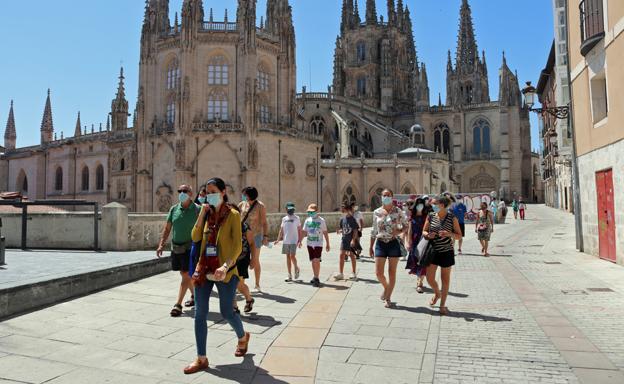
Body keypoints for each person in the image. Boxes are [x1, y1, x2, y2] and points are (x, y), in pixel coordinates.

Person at [184, 178, 250, 374]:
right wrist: (202, 214)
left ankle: (242, 336)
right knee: (200, 314)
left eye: (212, 191)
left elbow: (238, 246)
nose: (208, 195)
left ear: (223, 192)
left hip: (226, 271)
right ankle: (201, 358)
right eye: (206, 192)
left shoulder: (233, 215)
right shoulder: (206, 214)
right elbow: (195, 237)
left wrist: (225, 266)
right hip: (204, 268)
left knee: (226, 312)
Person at [157, 184, 199, 317]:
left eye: (185, 191)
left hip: (190, 248)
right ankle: (195, 296)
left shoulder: (197, 209)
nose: (181, 193)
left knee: (186, 274)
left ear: (191, 193)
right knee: (184, 274)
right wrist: (161, 244)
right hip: (176, 247)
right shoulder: (174, 209)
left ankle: (178, 305)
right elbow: (167, 228)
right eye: (179, 191)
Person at [422, 195, 462, 316]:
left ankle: (442, 305)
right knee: (429, 278)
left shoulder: (452, 217)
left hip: (447, 251)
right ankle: (437, 293)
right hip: (433, 251)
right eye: (432, 204)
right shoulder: (430, 216)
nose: (432, 206)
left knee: (445, 279)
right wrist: (428, 235)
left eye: (435, 204)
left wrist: (449, 234)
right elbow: (424, 231)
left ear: (442, 205)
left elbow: (459, 235)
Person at [369, 189, 408, 308]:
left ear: (392, 196)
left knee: (392, 272)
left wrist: (399, 231)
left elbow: (406, 225)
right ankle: (386, 288)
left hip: (393, 243)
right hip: (380, 243)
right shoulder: (376, 212)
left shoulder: (398, 211)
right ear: (381, 197)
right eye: (384, 195)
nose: (386, 197)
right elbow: (374, 229)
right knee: (379, 273)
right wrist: (370, 246)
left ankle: (388, 297)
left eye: (388, 195)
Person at [239, 187, 269, 293]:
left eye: (245, 194)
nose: (243, 196)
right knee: (241, 259)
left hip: (256, 236)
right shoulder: (242, 204)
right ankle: (240, 284)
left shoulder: (260, 206)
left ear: (250, 195)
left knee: (255, 260)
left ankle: (257, 284)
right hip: (243, 236)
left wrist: (265, 236)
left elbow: (264, 222)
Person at [301, 203, 330, 287]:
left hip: (318, 243)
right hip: (309, 243)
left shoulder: (321, 220)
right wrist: (300, 241)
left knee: (316, 260)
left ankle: (317, 278)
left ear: (317, 211)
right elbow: (304, 232)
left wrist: (328, 243)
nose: (310, 213)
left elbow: (325, 232)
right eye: (309, 212)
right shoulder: (307, 220)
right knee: (313, 260)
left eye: (312, 212)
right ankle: (314, 276)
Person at [406, 197, 430, 293]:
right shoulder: (412, 216)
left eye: (422, 204)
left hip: (424, 240)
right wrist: (408, 241)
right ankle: (419, 279)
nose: (420, 205)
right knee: (416, 260)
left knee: (423, 261)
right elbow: (410, 230)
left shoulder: (427, 216)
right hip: (415, 240)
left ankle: (419, 283)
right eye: (418, 204)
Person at [274, 202, 302, 282]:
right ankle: (289, 275)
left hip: (294, 240)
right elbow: (281, 230)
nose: (291, 211)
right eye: (289, 209)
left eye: (292, 209)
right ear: (286, 209)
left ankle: (296, 268)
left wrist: (300, 240)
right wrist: (278, 239)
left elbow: (299, 230)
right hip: (286, 241)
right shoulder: (284, 219)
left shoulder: (297, 218)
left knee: (292, 256)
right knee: (287, 257)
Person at [233, 218, 255, 315]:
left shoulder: (244, 226)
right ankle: (234, 307)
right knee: (232, 283)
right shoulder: (224, 223)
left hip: (242, 259)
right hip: (229, 259)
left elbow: (252, 244)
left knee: (238, 284)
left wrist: (253, 259)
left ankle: (249, 299)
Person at [336, 202, 359, 280]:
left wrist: (353, 240)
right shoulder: (342, 219)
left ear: (347, 209)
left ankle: (353, 273)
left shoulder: (352, 219)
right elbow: (343, 229)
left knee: (352, 255)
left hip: (350, 240)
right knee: (341, 255)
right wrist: (340, 231)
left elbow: (355, 230)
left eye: (343, 208)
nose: (342, 209)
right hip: (344, 240)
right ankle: (341, 273)